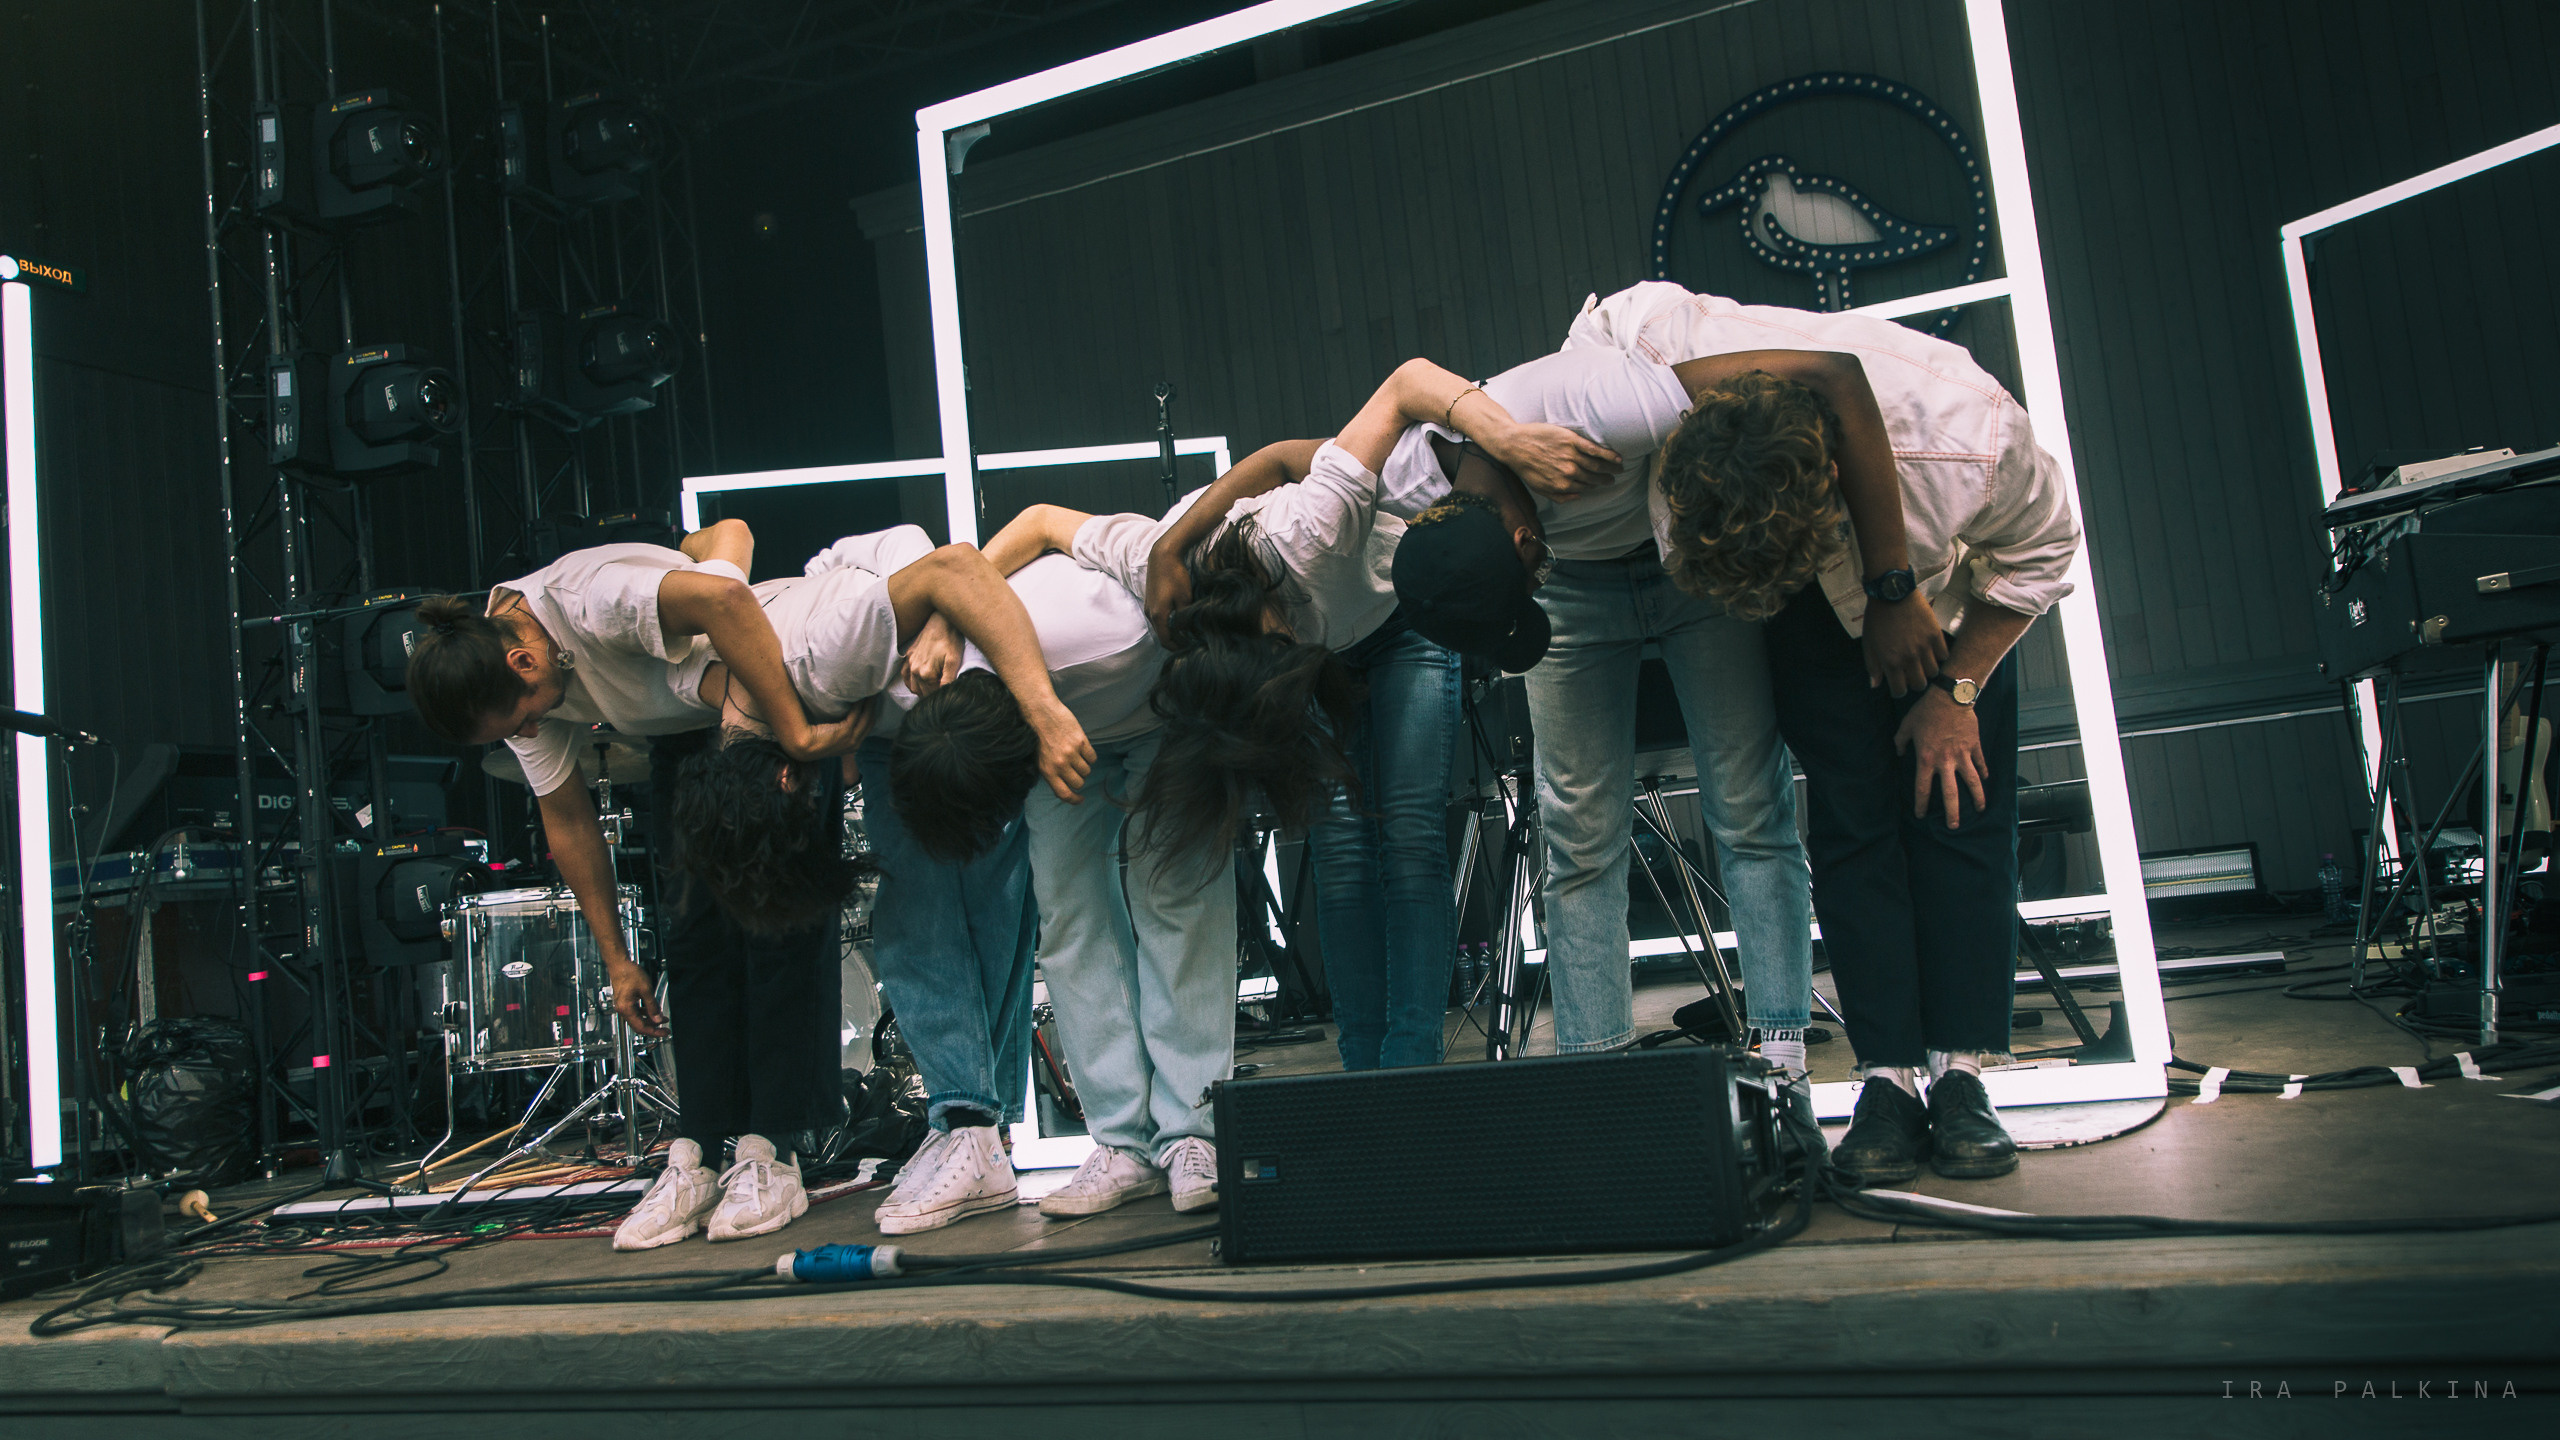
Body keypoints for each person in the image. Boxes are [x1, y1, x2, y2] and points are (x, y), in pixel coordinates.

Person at [405, 521, 1087, 1249]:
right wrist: (614, 955)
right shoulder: (500, 674)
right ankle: (701, 1150)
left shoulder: (597, 599)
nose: (536, 725)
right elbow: (568, 820)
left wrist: (795, 732)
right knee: (699, 939)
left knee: (798, 924)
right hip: (700, 722)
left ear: (523, 658)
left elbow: (736, 589)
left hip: (780, 693)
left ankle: (788, 1150)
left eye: (528, 711)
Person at [1578, 281, 2080, 1182]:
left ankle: (1961, 1077)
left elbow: (2046, 549)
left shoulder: (1971, 435)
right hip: (1805, 604)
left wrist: (1955, 690)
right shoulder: (1653, 360)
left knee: (1957, 810)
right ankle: (1886, 1079)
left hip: (1949, 598)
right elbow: (1610, 317)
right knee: (1854, 823)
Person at [664, 526, 1098, 1237]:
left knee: (995, 913)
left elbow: (923, 553)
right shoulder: (736, 677)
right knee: (918, 919)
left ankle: (974, 1127)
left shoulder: (830, 633)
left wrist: (942, 620)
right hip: (896, 729)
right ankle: (967, 1122)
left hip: (970, 711)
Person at [889, 533, 1241, 1218]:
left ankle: (1193, 1133)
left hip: (1163, 705)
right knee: (1070, 914)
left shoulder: (1101, 639)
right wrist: (944, 616)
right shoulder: (942, 686)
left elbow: (1035, 523)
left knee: (1177, 899)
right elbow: (962, 576)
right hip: (1042, 725)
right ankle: (1121, 1143)